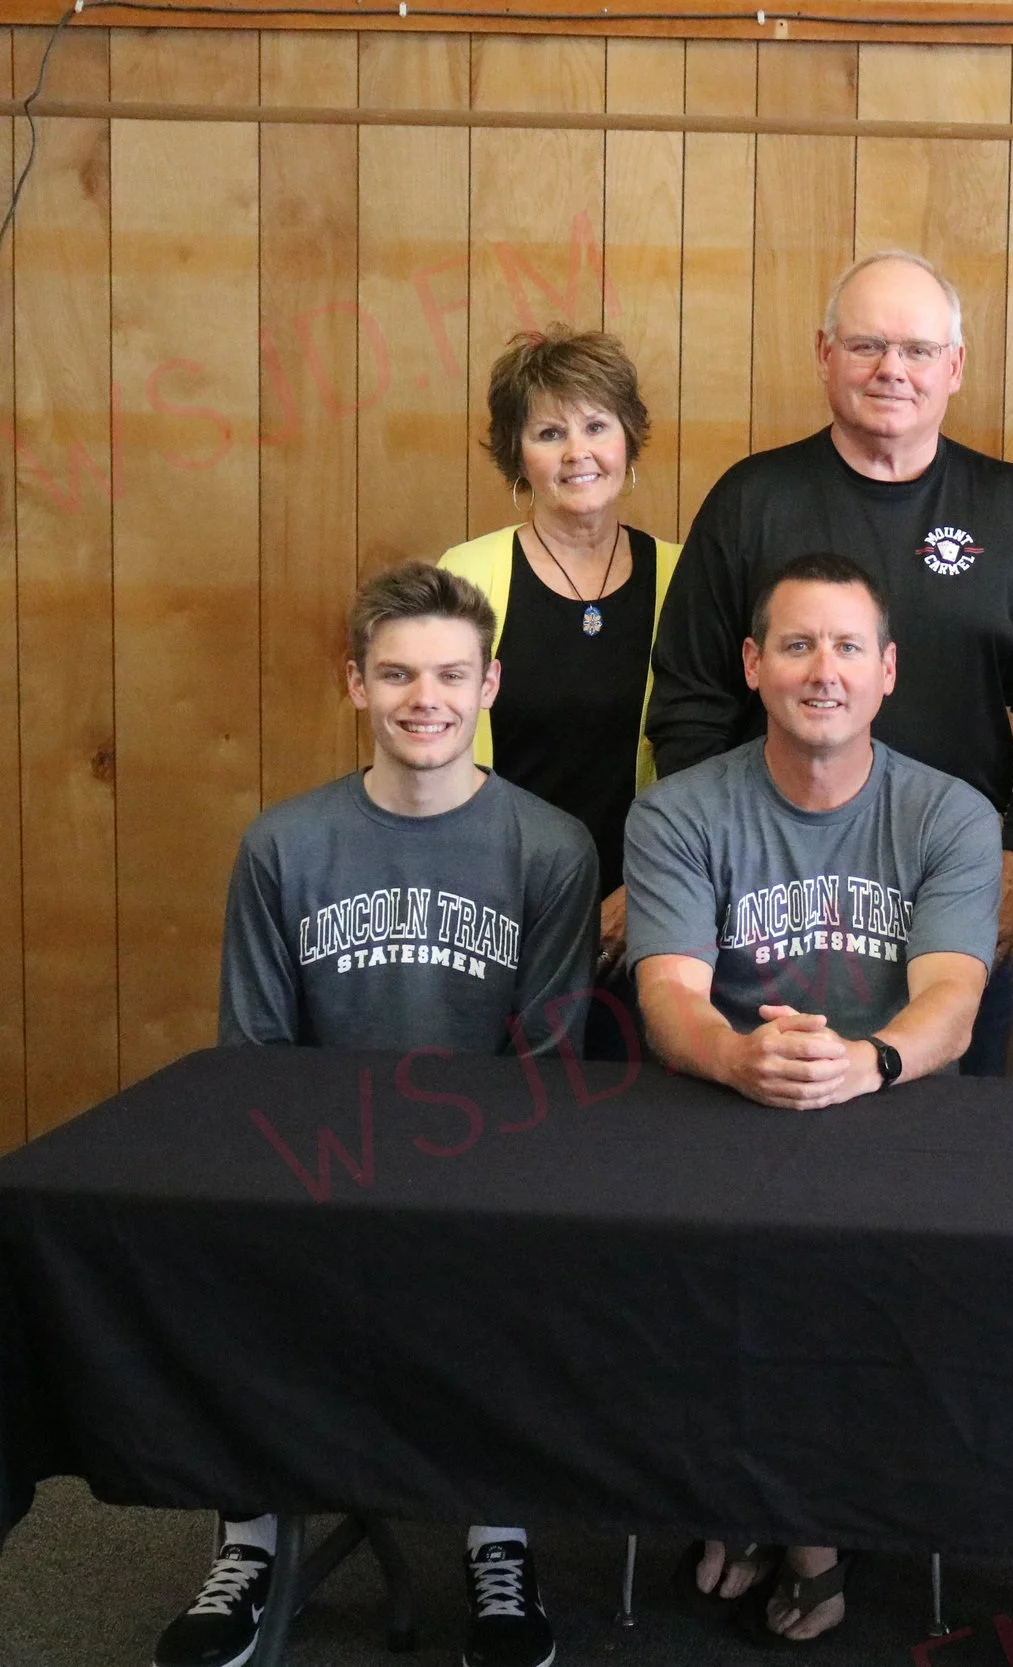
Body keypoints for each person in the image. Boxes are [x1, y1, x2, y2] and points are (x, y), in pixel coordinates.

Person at [169, 564, 599, 1667]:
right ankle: (249, 1538)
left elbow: (545, 1065)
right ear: (355, 683)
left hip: (484, 1173)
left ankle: (499, 1540)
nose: (426, 698)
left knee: (523, 1269)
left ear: (489, 684)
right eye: (398, 673)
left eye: (451, 674)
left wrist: (450, 1181)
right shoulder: (284, 843)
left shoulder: (551, 846)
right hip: (320, 1164)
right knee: (224, 1250)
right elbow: (254, 1055)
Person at [625, 550, 1002, 1644]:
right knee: (698, 1265)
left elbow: (952, 1001)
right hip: (727, 1109)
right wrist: (740, 1057)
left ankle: (797, 1523)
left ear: (888, 670)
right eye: (796, 645)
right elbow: (669, 998)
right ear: (752, 664)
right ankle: (757, 1501)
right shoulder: (679, 811)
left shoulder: (951, 813)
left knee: (831, 1269)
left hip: (898, 1113)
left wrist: (865, 1061)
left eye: (846, 647)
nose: (822, 670)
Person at [644, 249, 1013, 1076]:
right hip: (765, 925)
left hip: (953, 900)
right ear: (825, 354)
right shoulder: (752, 501)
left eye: (918, 349)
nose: (893, 368)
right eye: (866, 346)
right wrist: (714, 873)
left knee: (938, 1136)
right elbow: (689, 705)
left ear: (954, 366)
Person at [439, 326, 682, 1055]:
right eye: (550, 433)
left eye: (596, 426)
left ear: (629, 439)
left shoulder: (684, 577)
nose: (578, 452)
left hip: (645, 919)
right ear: (517, 455)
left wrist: (643, 893)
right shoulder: (466, 574)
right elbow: (427, 754)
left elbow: (711, 761)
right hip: (492, 914)